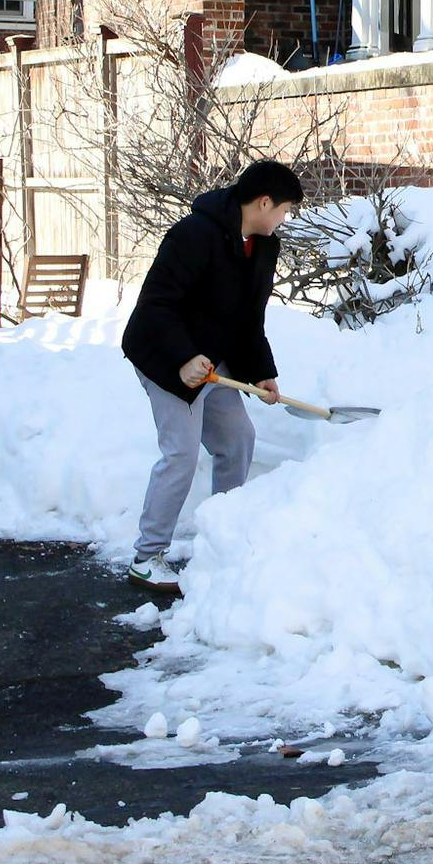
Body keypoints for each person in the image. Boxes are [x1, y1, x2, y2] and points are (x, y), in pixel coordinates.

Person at [120, 160, 303, 594]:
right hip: (165, 357)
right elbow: (157, 305)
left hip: (212, 361)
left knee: (237, 439)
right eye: (284, 210)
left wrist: (261, 373)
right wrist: (183, 358)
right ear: (263, 203)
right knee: (181, 454)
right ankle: (147, 557)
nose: (284, 219)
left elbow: (248, 320)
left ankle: (225, 535)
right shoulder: (193, 235)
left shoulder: (262, 247)